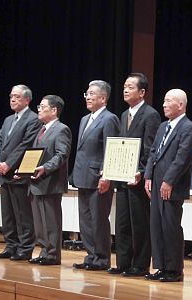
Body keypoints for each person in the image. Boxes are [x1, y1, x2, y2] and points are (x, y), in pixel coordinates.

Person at [107, 73, 161, 277]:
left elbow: (150, 148)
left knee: (139, 223)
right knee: (122, 223)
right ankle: (123, 262)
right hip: (122, 176)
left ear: (142, 92)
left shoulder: (150, 115)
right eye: (124, 86)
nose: (125, 89)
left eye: (130, 86)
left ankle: (139, 265)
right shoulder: (123, 115)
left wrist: (141, 171)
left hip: (137, 179)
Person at [144, 89, 192, 282]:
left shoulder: (188, 128)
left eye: (169, 101)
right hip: (157, 181)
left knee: (170, 226)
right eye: (164, 101)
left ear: (181, 105)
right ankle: (161, 266)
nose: (164, 104)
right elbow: (153, 153)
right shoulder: (162, 126)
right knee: (156, 225)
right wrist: (148, 175)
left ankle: (174, 269)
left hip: (172, 185)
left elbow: (182, 159)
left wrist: (169, 181)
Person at [69, 80, 120, 271]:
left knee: (98, 220)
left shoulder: (109, 119)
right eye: (87, 94)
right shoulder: (85, 119)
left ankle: (102, 258)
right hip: (82, 177)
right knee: (85, 220)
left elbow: (110, 149)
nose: (88, 97)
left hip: (98, 178)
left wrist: (106, 175)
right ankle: (91, 256)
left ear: (103, 98)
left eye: (92, 94)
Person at [0, 84, 41, 260]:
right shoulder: (8, 120)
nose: (13, 99)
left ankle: (25, 247)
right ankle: (10, 245)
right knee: (8, 214)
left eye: (17, 97)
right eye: (11, 96)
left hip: (18, 173)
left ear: (27, 99)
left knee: (23, 214)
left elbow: (26, 144)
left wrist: (9, 164)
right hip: (4, 174)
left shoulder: (33, 119)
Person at [27, 95, 72, 265]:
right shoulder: (41, 129)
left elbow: (62, 155)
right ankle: (45, 251)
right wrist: (22, 171)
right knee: (39, 222)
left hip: (50, 182)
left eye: (42, 106)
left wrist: (45, 168)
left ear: (54, 110)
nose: (39, 108)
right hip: (36, 182)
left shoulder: (61, 129)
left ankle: (53, 254)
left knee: (51, 220)